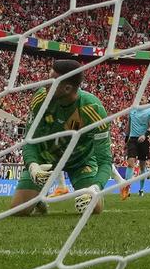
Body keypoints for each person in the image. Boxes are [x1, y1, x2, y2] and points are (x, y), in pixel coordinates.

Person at [11, 59, 112, 216]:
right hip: (46, 159)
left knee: (93, 208)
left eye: (52, 80)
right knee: (18, 211)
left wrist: (96, 187)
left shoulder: (93, 110)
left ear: (67, 88)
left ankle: (88, 189)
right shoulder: (41, 99)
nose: (46, 83)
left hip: (80, 161)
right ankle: (37, 197)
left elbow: (105, 161)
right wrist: (32, 165)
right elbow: (29, 140)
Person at [120, 104, 150, 200]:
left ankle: (141, 189)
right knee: (130, 163)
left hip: (143, 140)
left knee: (142, 166)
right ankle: (127, 189)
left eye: (143, 99)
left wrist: (145, 135)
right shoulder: (132, 110)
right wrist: (126, 139)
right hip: (132, 140)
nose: (141, 100)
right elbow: (129, 125)